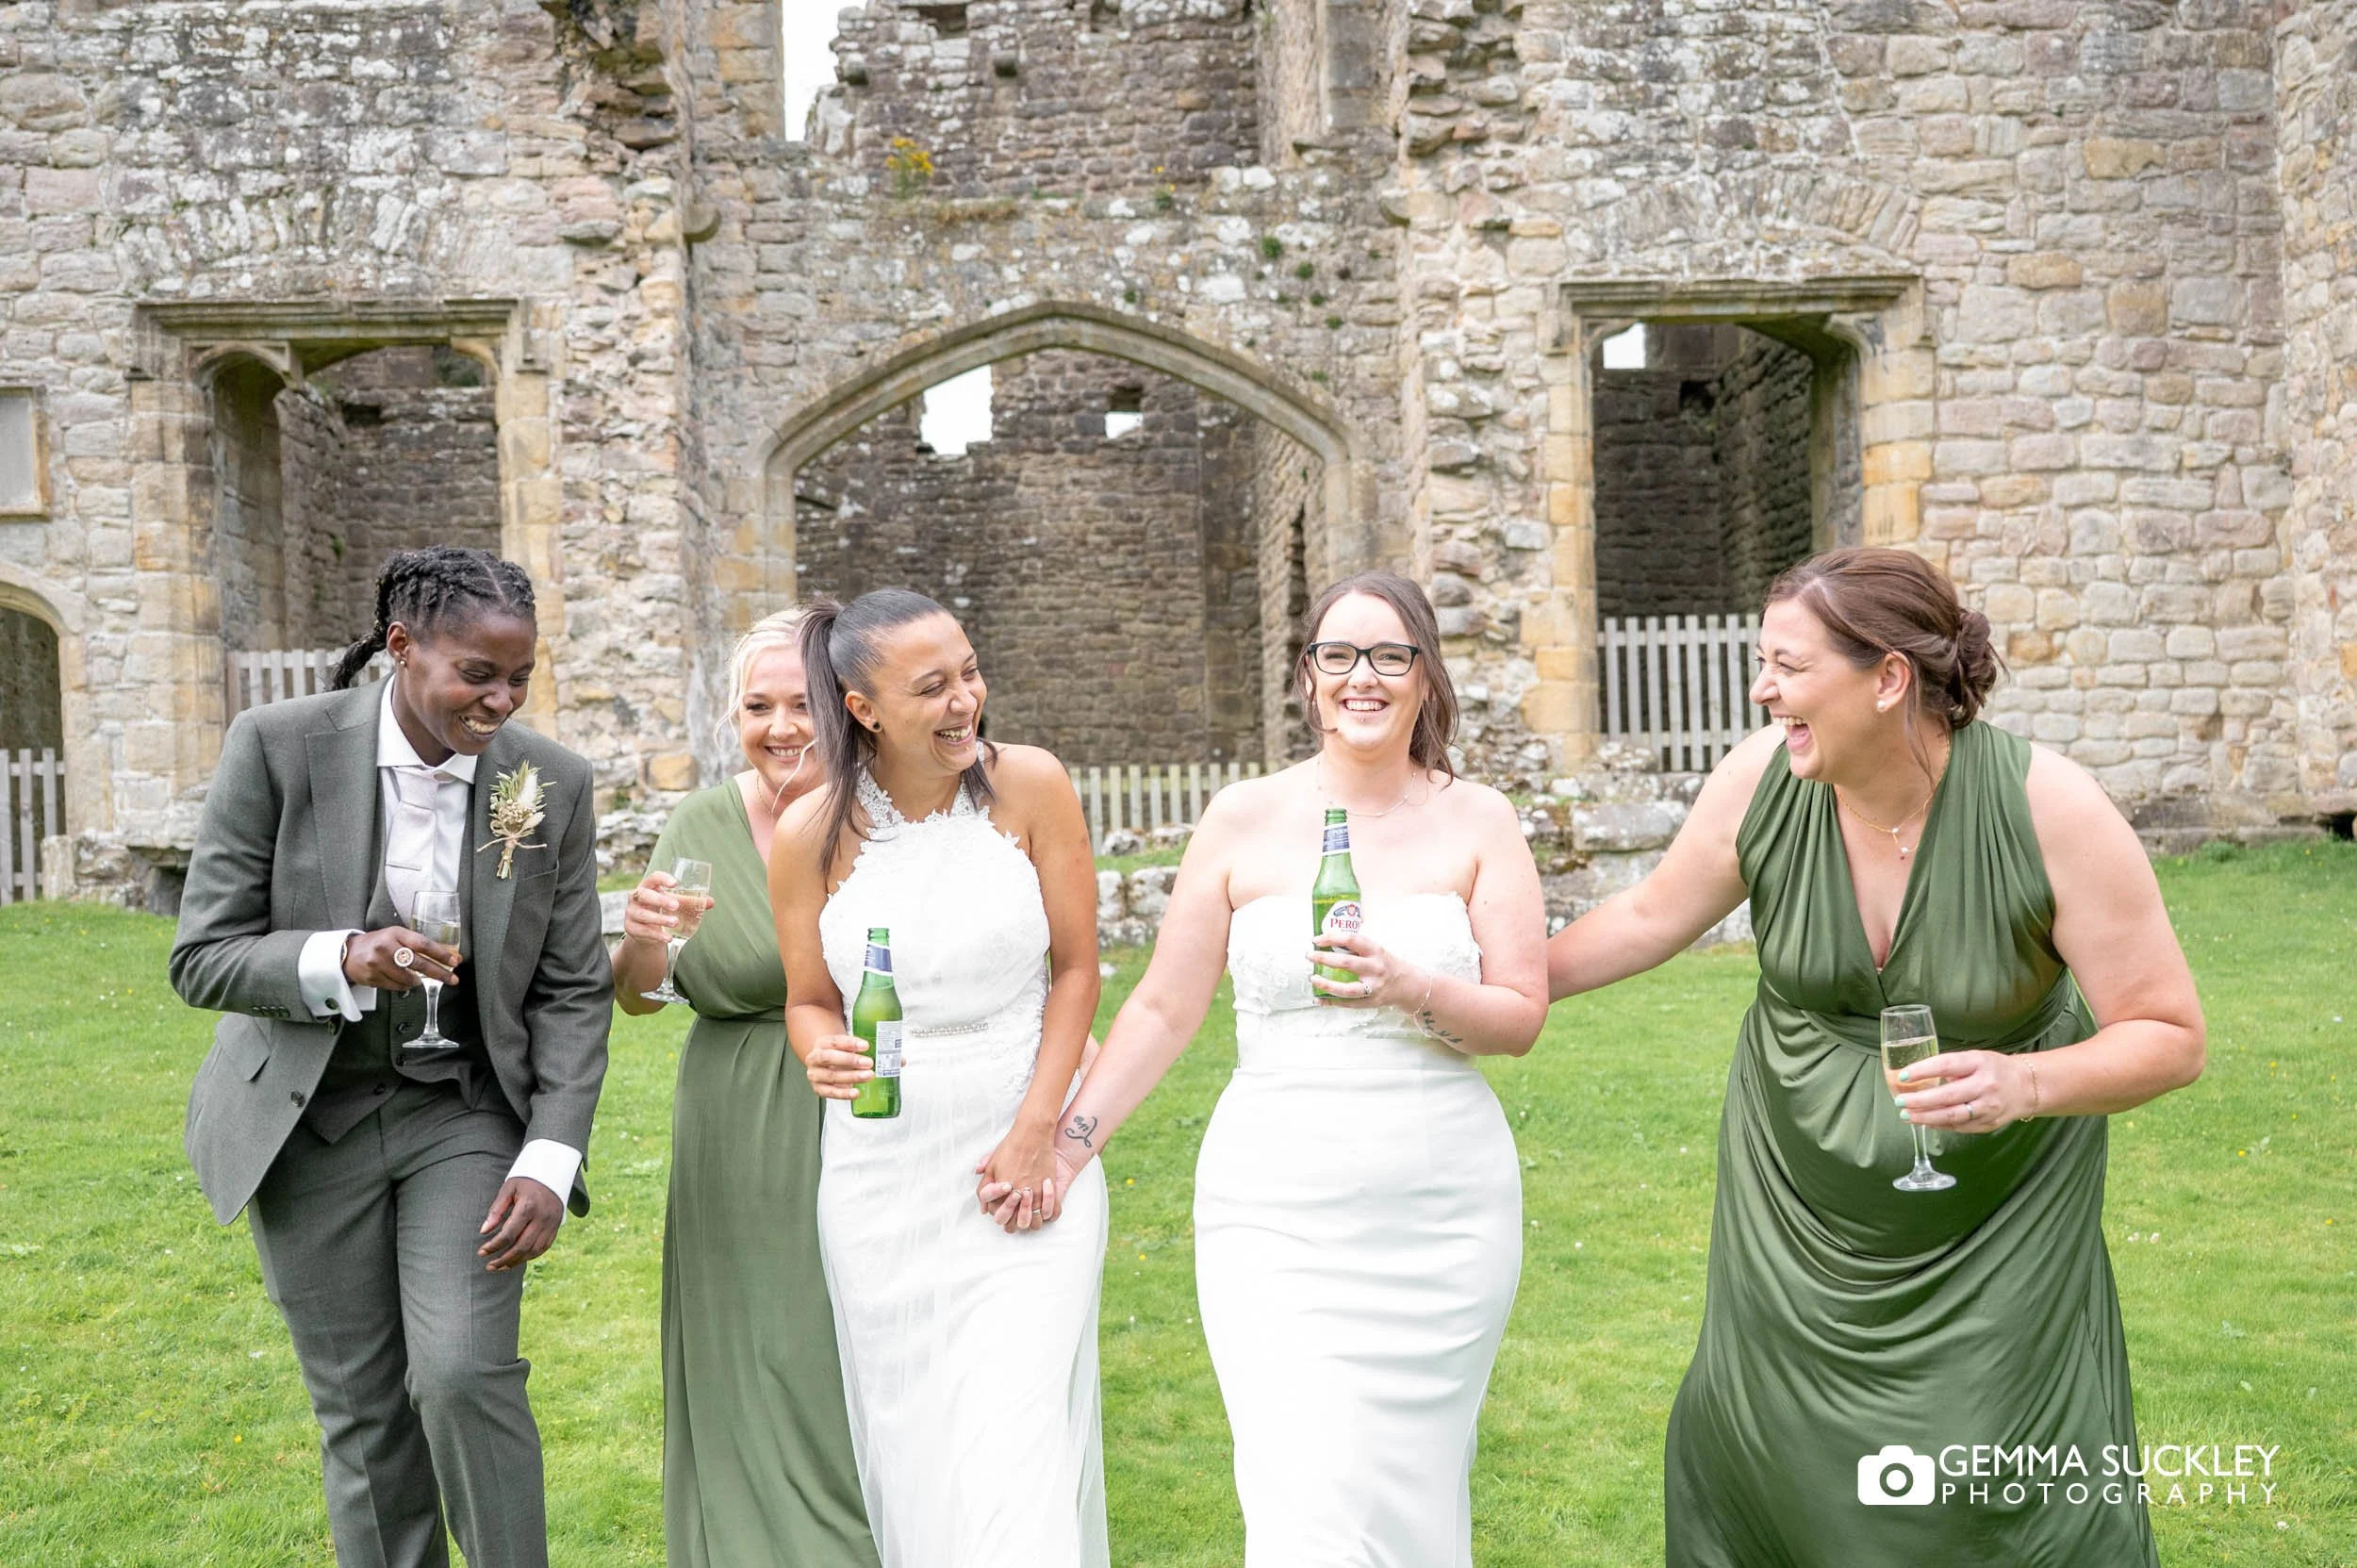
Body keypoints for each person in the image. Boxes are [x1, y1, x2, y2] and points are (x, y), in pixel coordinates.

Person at [1545, 547, 2204, 1566]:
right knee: (1766, 1459)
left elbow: (2168, 1034)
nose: (1763, 690)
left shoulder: (2050, 810)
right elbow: (1645, 915)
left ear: (1887, 677)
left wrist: (2024, 1082)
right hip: (1791, 1207)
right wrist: (1501, 987)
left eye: (1788, 666)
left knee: (1979, 1487)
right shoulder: (1761, 778)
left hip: (1999, 1217)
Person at [1045, 571, 1547, 1567]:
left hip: (1441, 1211)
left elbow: (1520, 1015)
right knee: (1303, 1495)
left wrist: (1413, 987)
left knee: (1409, 1492)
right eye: (1338, 655)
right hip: (1272, 1206)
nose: (1362, 676)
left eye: (1389, 654)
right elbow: (1161, 1005)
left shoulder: (1479, 820)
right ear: (1307, 678)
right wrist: (1066, 1145)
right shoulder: (1241, 817)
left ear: (1423, 676)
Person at [170, 546, 611, 1568]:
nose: (500, 700)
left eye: (518, 678)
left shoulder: (551, 784)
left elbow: (574, 987)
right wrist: (342, 956)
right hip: (306, 1119)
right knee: (363, 1414)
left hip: (459, 1109)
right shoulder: (276, 747)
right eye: (476, 673)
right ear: (402, 647)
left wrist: (550, 1156)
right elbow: (203, 955)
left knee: (462, 1373)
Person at [769, 589, 1109, 1568]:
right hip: (882, 1176)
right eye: (933, 686)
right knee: (921, 1450)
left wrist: (1040, 1131)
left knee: (1018, 1451)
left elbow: (1077, 969)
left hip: (1023, 1145)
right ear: (863, 706)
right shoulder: (807, 834)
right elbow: (807, 997)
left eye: (968, 671)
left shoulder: (1033, 785)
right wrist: (816, 1046)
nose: (966, 699)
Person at [612, 609, 878, 1568]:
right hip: (733, 1119)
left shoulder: (887, 815)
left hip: (862, 1105)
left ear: (848, 709)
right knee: (748, 1358)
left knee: (834, 1354)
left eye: (799, 703)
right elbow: (645, 998)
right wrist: (644, 937)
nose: (778, 727)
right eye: (756, 706)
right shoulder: (699, 824)